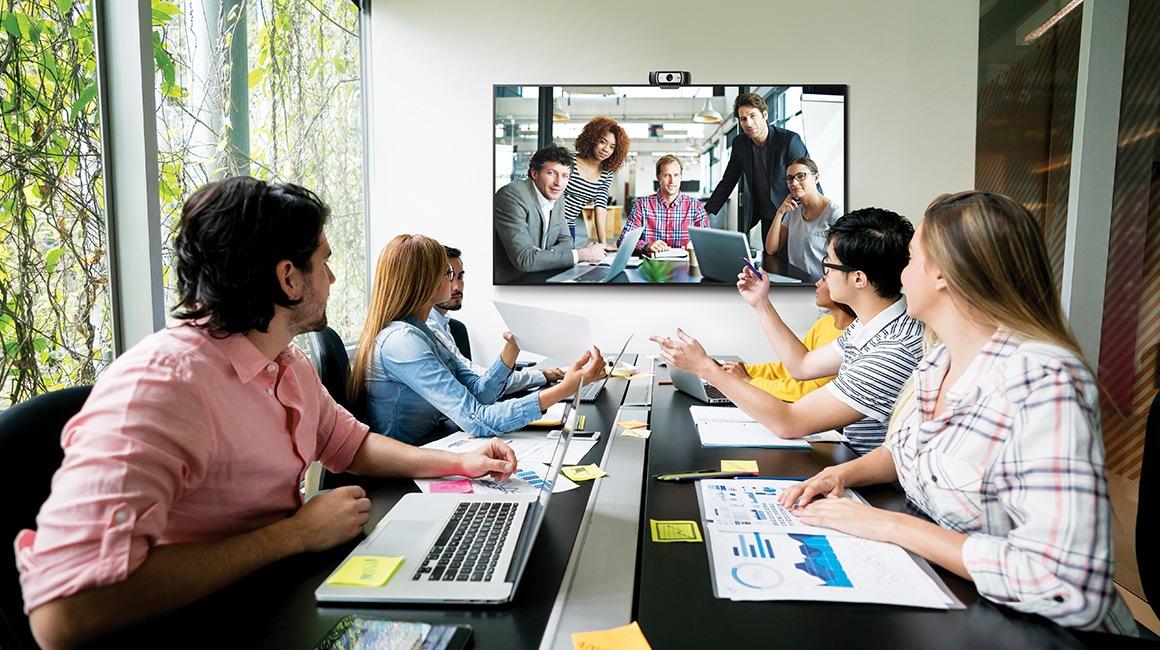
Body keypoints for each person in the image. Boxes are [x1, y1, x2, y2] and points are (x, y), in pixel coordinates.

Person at [15, 177, 518, 650]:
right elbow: (61, 614)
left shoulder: (284, 359)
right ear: (288, 278)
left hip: (274, 598)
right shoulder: (162, 385)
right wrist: (294, 534)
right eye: (324, 262)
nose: (333, 277)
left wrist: (460, 463)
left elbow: (352, 445)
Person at [777, 191, 1137, 635]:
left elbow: (1065, 585)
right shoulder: (938, 360)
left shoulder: (1043, 379)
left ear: (943, 275)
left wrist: (887, 525)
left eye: (909, 260)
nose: (901, 275)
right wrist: (841, 477)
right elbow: (905, 452)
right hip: (963, 608)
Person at [651, 208, 923, 455]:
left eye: (828, 264)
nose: (824, 274)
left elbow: (790, 422)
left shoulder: (891, 349)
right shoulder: (872, 326)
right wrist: (760, 302)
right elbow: (802, 366)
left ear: (859, 279)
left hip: (874, 484)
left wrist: (705, 369)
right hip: (849, 460)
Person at [352, 234, 605, 445]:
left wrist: (512, 348)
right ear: (422, 281)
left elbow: (479, 392)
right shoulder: (403, 341)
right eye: (447, 272)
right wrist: (564, 389)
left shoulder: (425, 332)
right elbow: (478, 419)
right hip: (404, 470)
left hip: (434, 445)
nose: (453, 281)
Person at [427, 245, 564, 395]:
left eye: (460, 277)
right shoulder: (426, 328)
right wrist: (542, 375)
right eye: (449, 278)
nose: (457, 287)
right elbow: (480, 381)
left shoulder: (447, 324)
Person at [720, 276, 855, 402]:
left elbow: (807, 391)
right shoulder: (824, 323)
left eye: (825, 279)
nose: (817, 283)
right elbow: (788, 369)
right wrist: (734, 370)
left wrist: (748, 381)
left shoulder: (851, 341)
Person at [702, 92, 811, 246]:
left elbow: (807, 179)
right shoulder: (740, 144)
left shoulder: (789, 141)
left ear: (764, 115)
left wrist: (817, 216)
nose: (749, 123)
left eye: (753, 116)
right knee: (771, 262)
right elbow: (728, 180)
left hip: (792, 216)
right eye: (743, 119)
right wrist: (706, 211)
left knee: (793, 264)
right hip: (766, 217)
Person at [494, 144, 604, 283]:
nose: (558, 182)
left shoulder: (557, 197)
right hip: (511, 281)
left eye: (565, 176)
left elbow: (567, 242)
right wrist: (581, 255)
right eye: (551, 173)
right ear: (535, 173)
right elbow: (525, 260)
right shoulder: (512, 196)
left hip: (542, 274)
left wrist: (542, 256)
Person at [764, 157, 843, 280]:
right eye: (790, 179)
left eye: (801, 176)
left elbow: (843, 262)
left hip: (823, 287)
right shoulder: (793, 211)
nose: (794, 183)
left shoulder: (835, 213)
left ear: (816, 178)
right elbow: (771, 249)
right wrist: (779, 213)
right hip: (796, 283)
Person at [616, 155, 708, 254]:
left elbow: (708, 240)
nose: (672, 181)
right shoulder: (642, 205)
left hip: (685, 265)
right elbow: (623, 240)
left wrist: (696, 245)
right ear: (658, 176)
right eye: (666, 175)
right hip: (651, 266)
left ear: (681, 176)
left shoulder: (696, 207)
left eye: (676, 175)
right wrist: (645, 246)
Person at [563, 116, 629, 249]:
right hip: (546, 222)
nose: (606, 149)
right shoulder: (569, 161)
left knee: (566, 265)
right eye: (603, 142)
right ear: (592, 139)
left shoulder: (606, 173)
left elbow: (600, 206)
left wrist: (602, 242)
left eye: (612, 147)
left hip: (568, 228)